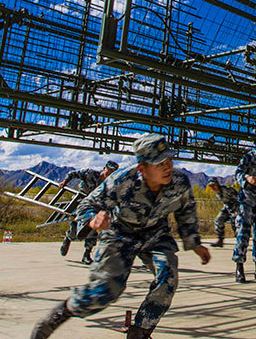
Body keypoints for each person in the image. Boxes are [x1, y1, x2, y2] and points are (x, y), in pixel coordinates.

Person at [30, 135, 211, 339]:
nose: (167, 167)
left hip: (155, 234)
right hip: (120, 233)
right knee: (107, 290)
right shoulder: (123, 180)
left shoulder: (179, 182)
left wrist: (194, 244)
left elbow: (186, 211)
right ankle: (60, 314)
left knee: (167, 276)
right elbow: (87, 204)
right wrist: (92, 220)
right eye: (160, 163)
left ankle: (140, 332)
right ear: (143, 168)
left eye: (169, 160)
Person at [58, 160, 119, 264]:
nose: (109, 173)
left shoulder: (111, 184)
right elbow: (73, 173)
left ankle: (87, 254)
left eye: (112, 172)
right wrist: (65, 182)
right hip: (80, 203)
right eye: (108, 170)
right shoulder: (90, 174)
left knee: (93, 228)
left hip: (95, 207)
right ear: (104, 168)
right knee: (76, 231)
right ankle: (68, 238)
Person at [232, 130, 256, 282]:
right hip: (247, 199)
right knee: (243, 232)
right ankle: (239, 266)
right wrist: (247, 178)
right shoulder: (248, 157)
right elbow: (238, 172)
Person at [207, 177, 238, 248]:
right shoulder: (217, 193)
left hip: (235, 208)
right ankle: (220, 240)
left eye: (213, 185)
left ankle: (240, 241)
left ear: (217, 183)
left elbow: (239, 199)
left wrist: (237, 210)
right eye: (211, 186)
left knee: (235, 224)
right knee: (219, 219)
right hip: (227, 208)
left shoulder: (227, 190)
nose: (212, 187)